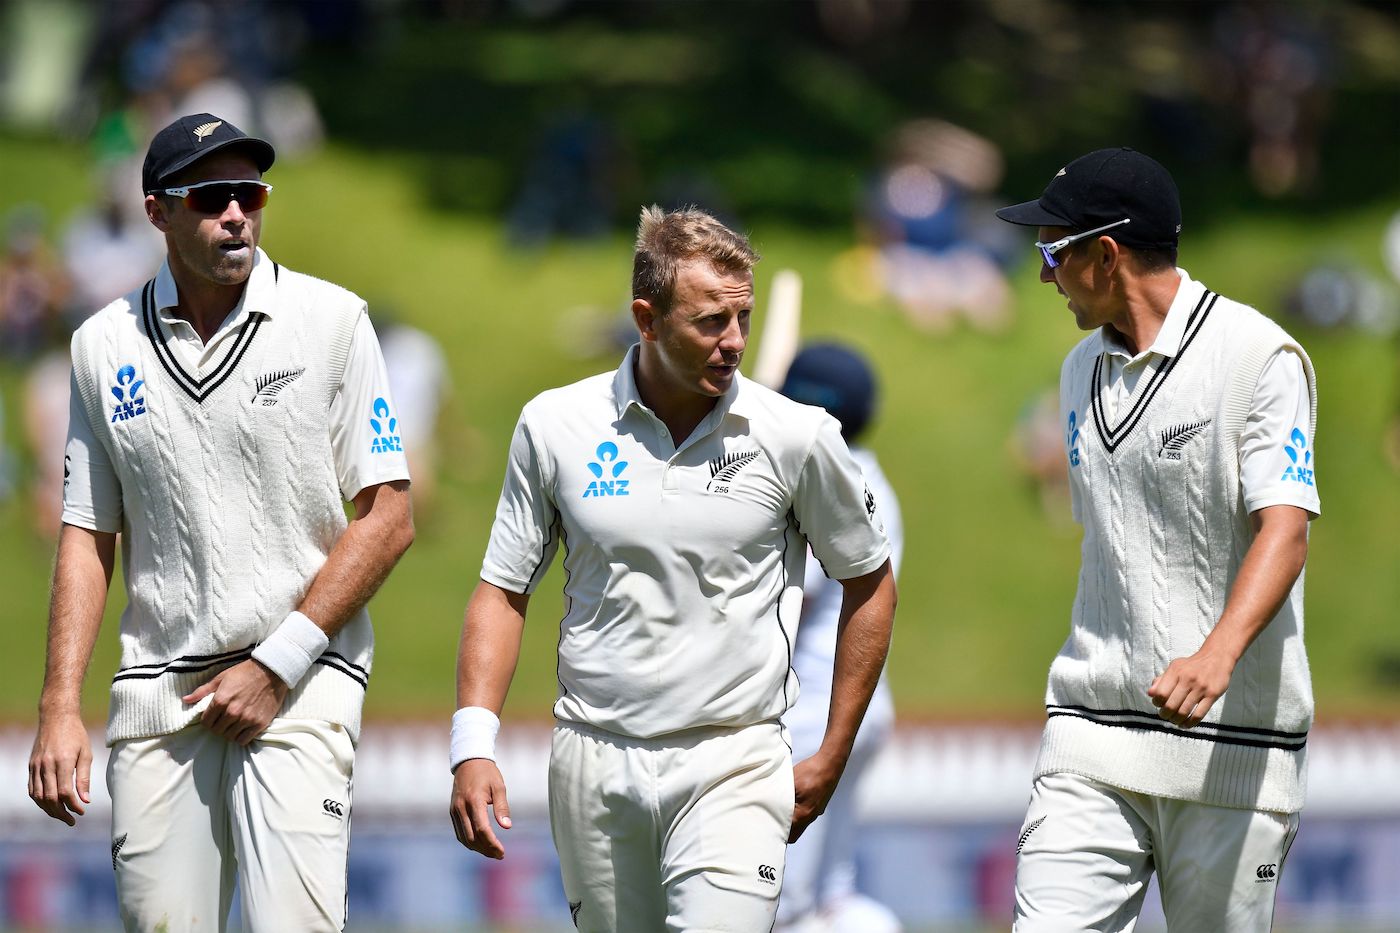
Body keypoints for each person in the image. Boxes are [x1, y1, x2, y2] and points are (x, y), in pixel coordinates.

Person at [448, 206, 897, 933]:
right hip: (594, 761)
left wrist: (832, 751)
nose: (735, 343)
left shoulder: (798, 436)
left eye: (744, 319)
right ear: (646, 319)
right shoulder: (554, 424)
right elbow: (503, 589)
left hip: (736, 759)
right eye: (710, 322)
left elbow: (870, 582)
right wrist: (472, 743)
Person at [26, 113, 414, 932]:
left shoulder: (332, 321)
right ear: (158, 211)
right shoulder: (101, 346)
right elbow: (88, 533)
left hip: (301, 684)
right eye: (211, 197)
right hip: (158, 695)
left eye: (249, 193)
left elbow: (387, 516)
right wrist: (60, 704)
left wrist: (276, 664)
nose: (236, 213)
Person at [996, 148, 1319, 931]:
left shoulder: (1259, 358)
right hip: (1091, 735)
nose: (1044, 276)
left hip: (1231, 747)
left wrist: (1216, 653)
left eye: (1053, 252)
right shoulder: (1077, 372)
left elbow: (1285, 526)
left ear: (1105, 254)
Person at [776, 344, 904, 933]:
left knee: (781, 901)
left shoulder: (824, 483)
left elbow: (785, 603)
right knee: (831, 895)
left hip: (812, 715)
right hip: (862, 708)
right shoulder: (868, 472)